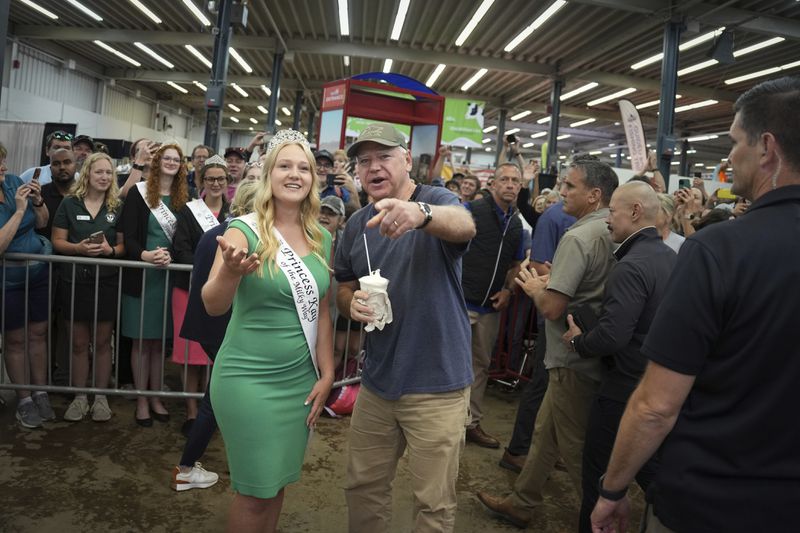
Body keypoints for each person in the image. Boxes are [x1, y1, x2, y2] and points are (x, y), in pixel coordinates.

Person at [590, 75, 800, 533]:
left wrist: (613, 488)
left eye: (734, 142)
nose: (729, 156)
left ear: (766, 148)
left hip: (713, 500)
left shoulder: (719, 249)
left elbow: (655, 407)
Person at [335, 123, 476, 532]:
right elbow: (343, 284)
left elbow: (464, 224)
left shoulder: (435, 200)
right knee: (362, 487)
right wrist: (351, 303)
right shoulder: (356, 224)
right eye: (365, 161)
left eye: (384, 157)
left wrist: (421, 214)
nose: (374, 167)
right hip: (378, 383)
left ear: (408, 160)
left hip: (437, 386)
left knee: (433, 503)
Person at [203, 129, 335, 533]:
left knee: (275, 486)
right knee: (255, 492)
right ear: (269, 175)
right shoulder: (243, 231)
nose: (294, 175)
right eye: (284, 166)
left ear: (313, 178)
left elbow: (324, 310)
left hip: (299, 383)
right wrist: (229, 271)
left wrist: (328, 374)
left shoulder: (322, 237)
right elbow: (213, 304)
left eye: (303, 168)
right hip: (248, 381)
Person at [477, 155, 619, 529]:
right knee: (544, 436)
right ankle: (523, 503)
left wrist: (536, 288)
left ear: (594, 194)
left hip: (571, 360)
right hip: (584, 355)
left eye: (570, 186)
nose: (561, 191)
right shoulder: (611, 230)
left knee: (575, 450)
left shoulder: (578, 237)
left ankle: (600, 518)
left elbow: (554, 308)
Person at [558, 182, 677, 533]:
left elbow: (612, 335)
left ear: (635, 212)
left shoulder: (631, 266)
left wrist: (579, 342)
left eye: (612, 212)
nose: (608, 219)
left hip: (623, 390)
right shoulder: (670, 257)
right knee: (650, 467)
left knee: (600, 479)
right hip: (658, 383)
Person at [171, 179, 260, 492]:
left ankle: (189, 465)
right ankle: (186, 467)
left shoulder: (214, 234)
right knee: (215, 399)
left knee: (217, 395)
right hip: (224, 329)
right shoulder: (241, 239)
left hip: (208, 327)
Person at [500, 185, 576, 473]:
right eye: (566, 185)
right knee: (542, 385)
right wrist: (565, 281)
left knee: (562, 391)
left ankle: (546, 451)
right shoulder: (554, 217)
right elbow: (537, 266)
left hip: (573, 321)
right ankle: (518, 449)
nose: (565, 191)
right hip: (553, 319)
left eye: (570, 186)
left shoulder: (590, 222)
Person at [51, 152, 125, 422]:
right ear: (88, 174)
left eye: (109, 173)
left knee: (104, 343)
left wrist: (109, 250)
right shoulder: (70, 204)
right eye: (99, 172)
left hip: (106, 281)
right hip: (75, 281)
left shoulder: (117, 205)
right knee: (79, 343)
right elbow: (57, 240)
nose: (104, 177)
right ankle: (80, 397)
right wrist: (77, 248)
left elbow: (123, 246)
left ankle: (101, 397)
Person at [120, 143, 189, 427]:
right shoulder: (139, 193)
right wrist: (145, 254)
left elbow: (186, 237)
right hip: (143, 274)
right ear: (158, 161)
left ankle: (156, 394)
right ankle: (141, 399)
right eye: (167, 158)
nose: (171, 162)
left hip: (168, 277)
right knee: (140, 340)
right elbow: (128, 234)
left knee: (159, 342)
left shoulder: (183, 197)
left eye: (177, 159)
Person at [462, 163, 525, 449]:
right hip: (461, 302)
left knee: (480, 367)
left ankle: (471, 424)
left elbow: (514, 264)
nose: (510, 185)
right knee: (450, 364)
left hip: (490, 307)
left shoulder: (516, 223)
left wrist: (508, 290)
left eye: (515, 181)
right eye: (505, 180)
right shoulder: (472, 212)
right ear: (493, 184)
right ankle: (443, 423)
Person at [171, 154, 230, 436]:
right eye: (210, 179)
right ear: (201, 181)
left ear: (228, 182)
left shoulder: (235, 213)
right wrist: (208, 268)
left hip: (224, 295)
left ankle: (217, 409)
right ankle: (192, 413)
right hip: (191, 290)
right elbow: (179, 247)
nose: (215, 183)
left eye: (221, 179)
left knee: (221, 356)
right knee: (191, 356)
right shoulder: (188, 211)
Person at [0, 142, 53, 428]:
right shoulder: (10, 195)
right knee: (16, 339)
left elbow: (42, 223)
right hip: (7, 278)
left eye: (4, 160)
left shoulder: (11, 183)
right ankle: (23, 398)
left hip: (37, 273)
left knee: (38, 334)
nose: (4, 167)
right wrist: (20, 211)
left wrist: (37, 202)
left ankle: (40, 391)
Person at [38, 148, 76, 239]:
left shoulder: (87, 194)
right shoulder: (39, 194)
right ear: (50, 169)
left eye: (67, 162)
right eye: (56, 164)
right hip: (45, 250)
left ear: (76, 166)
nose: (62, 167)